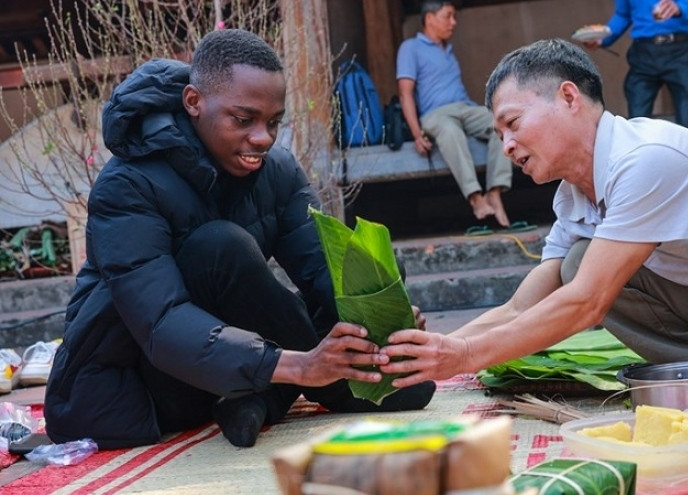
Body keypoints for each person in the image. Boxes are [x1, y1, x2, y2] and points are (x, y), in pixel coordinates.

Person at [44, 29, 434, 450]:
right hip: (135, 383)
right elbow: (161, 324)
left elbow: (323, 269)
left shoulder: (277, 171)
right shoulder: (128, 185)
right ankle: (310, 387)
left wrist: (384, 317)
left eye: (273, 122)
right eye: (244, 120)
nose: (263, 137)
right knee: (220, 246)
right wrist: (300, 366)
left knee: (367, 273)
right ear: (194, 102)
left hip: (226, 363)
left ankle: (260, 398)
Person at [378, 38, 688, 387]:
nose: (506, 146)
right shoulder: (572, 198)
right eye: (499, 133)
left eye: (513, 123)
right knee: (577, 262)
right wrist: (437, 351)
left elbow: (588, 301)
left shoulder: (645, 158)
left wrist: (467, 356)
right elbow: (520, 308)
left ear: (568, 97)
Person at [396, 0, 513, 226]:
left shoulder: (448, 50)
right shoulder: (410, 48)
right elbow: (405, 94)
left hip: (464, 109)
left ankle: (495, 191)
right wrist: (417, 134)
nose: (453, 22)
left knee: (501, 122)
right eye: (448, 16)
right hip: (436, 115)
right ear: (430, 18)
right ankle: (475, 198)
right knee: (450, 132)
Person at [584, 0, 688, 131]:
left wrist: (680, 7)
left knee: (687, 118)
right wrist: (602, 38)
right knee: (638, 118)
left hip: (680, 51)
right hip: (643, 52)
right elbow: (622, 15)